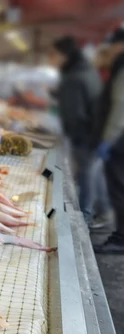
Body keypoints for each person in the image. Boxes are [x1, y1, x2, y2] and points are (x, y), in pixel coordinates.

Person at [49, 36, 109, 227]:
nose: (51, 60)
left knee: (86, 174)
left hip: (84, 134)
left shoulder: (74, 77)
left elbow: (75, 111)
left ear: (64, 55)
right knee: (93, 173)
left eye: (53, 55)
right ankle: (101, 212)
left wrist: (71, 135)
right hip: (95, 131)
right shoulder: (86, 70)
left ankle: (84, 217)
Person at [95, 26, 124, 253]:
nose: (111, 51)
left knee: (119, 187)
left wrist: (107, 140)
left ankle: (120, 239)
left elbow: (120, 108)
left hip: (119, 141)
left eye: (113, 46)